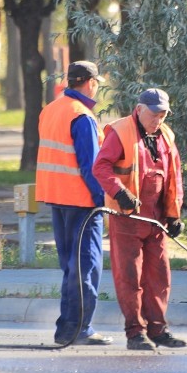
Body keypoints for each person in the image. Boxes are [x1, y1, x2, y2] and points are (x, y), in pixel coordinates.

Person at [93, 88, 187, 351]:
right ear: (139, 109)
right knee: (130, 277)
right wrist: (119, 193)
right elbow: (100, 167)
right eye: (155, 114)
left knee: (159, 276)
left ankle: (158, 330)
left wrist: (174, 214)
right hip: (127, 218)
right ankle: (135, 333)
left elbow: (175, 177)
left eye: (163, 114)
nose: (159, 119)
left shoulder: (166, 135)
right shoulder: (120, 131)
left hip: (155, 219)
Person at [35, 61, 112, 346]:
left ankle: (67, 328)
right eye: (97, 83)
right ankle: (79, 328)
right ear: (90, 82)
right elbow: (91, 166)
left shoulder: (51, 110)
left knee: (71, 267)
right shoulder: (81, 116)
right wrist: (102, 200)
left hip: (57, 198)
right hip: (81, 203)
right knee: (86, 267)